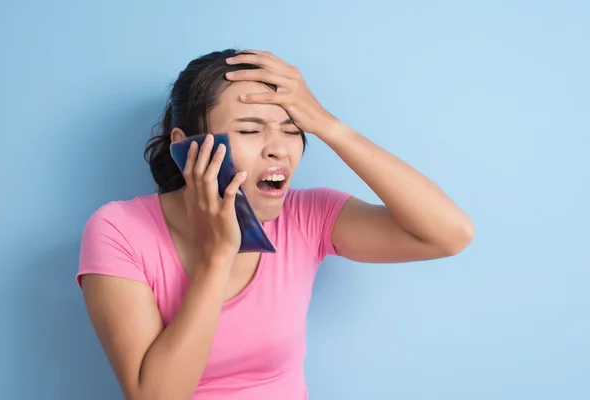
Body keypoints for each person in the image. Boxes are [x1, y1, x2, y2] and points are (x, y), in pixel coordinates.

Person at [76, 48, 475, 400]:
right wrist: (218, 257)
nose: (279, 148)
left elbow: (450, 235)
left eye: (292, 129)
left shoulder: (308, 216)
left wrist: (327, 124)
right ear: (185, 144)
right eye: (250, 130)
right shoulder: (119, 229)